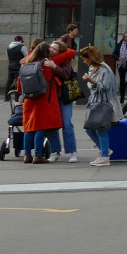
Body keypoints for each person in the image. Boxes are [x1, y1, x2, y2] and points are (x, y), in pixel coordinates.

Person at [18, 38, 73, 164]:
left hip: (28, 99)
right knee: (40, 128)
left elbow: (19, 84)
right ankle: (38, 155)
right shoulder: (49, 62)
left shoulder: (25, 62)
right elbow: (71, 52)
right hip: (43, 98)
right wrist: (62, 40)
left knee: (28, 128)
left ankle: (27, 155)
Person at [79, 46, 116, 166]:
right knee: (90, 128)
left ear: (91, 57)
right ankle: (104, 151)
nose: (84, 61)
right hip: (95, 101)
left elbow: (106, 86)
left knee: (100, 129)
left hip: (102, 102)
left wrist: (91, 81)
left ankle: (104, 156)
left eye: (85, 59)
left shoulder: (103, 69)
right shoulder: (94, 68)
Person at [51, 28, 81, 162]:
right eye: (50, 47)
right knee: (51, 124)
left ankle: (72, 152)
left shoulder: (65, 62)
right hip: (51, 96)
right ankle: (55, 151)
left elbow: (66, 74)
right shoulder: (47, 60)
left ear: (60, 51)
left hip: (64, 96)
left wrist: (54, 67)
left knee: (66, 123)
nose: (51, 50)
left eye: (54, 48)